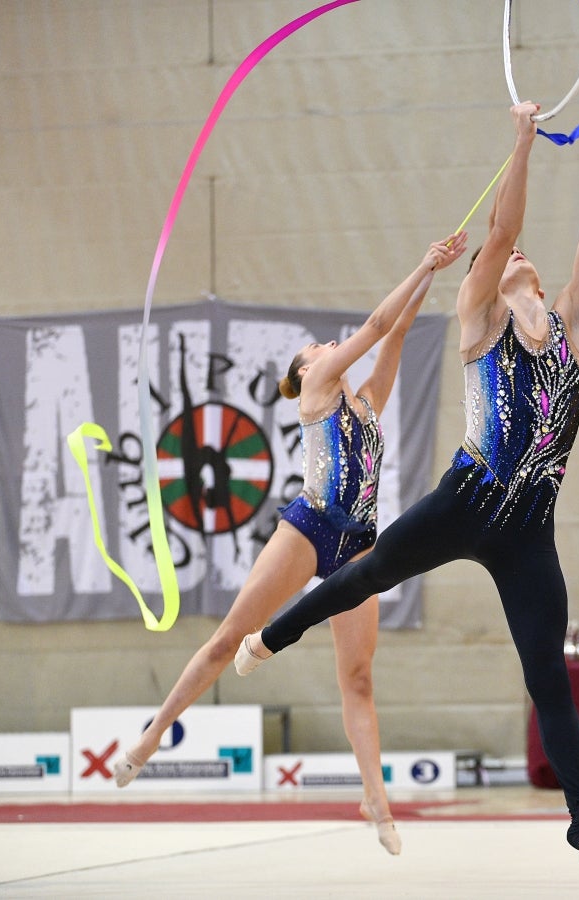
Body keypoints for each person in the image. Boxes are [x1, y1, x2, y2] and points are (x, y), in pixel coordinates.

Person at [234, 93, 579, 894]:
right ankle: (273, 636)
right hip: (463, 498)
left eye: (520, 258)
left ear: (537, 281)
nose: (512, 255)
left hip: (529, 531)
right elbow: (502, 231)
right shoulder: (478, 320)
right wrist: (521, 141)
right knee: (363, 575)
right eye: (499, 257)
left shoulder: (574, 327)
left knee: (549, 674)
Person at [112, 230, 469, 857]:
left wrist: (433, 273)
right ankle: (152, 734)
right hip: (309, 527)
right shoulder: (318, 387)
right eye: (318, 348)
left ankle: (374, 798)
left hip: (359, 544)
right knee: (228, 637)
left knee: (358, 677)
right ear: (306, 371)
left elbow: (399, 333)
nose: (329, 346)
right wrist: (420, 263)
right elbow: (378, 324)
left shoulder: (364, 403)